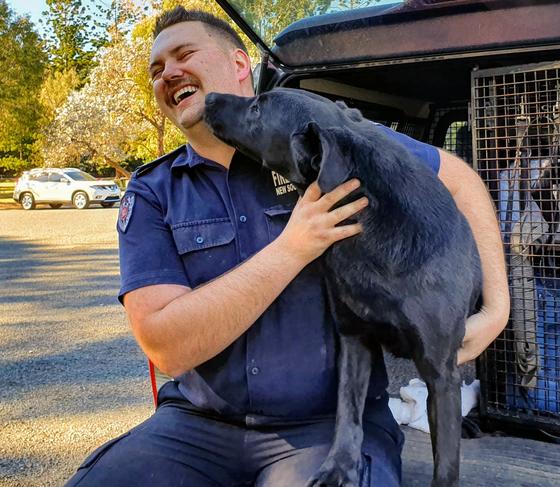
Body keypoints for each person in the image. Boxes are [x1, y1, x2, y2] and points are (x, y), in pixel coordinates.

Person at [66, 6, 509, 486]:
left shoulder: (320, 137)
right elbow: (167, 348)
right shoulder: (152, 192)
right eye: (156, 70)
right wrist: (292, 248)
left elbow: (459, 180)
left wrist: (497, 308)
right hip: (196, 427)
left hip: (326, 429)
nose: (169, 73)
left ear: (239, 66)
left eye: (183, 54)